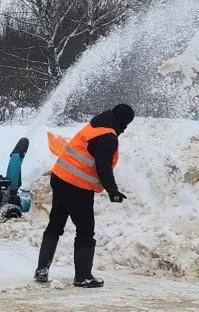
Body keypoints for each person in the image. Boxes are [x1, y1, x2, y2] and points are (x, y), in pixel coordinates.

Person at [35, 103, 135, 288]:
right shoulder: (107, 137)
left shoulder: (95, 126)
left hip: (60, 177)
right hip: (77, 186)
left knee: (55, 224)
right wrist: (113, 191)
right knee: (85, 230)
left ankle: (42, 269)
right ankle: (83, 277)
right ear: (123, 122)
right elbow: (103, 168)